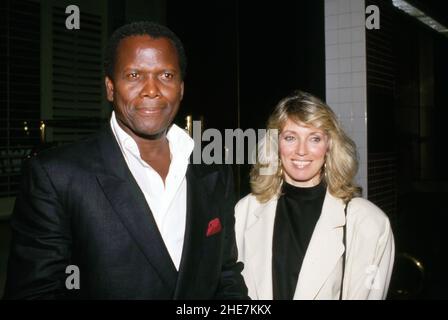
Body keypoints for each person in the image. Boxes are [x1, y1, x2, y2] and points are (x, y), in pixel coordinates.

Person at [4, 21, 248, 299]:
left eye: (166, 75)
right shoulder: (57, 175)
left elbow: (225, 275)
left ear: (181, 88)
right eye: (134, 75)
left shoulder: (214, 171)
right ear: (110, 88)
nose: (151, 89)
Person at [235, 90, 394, 300]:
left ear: (329, 145)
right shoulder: (246, 211)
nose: (301, 151)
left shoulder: (368, 223)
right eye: (290, 137)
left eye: (314, 138)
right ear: (276, 143)